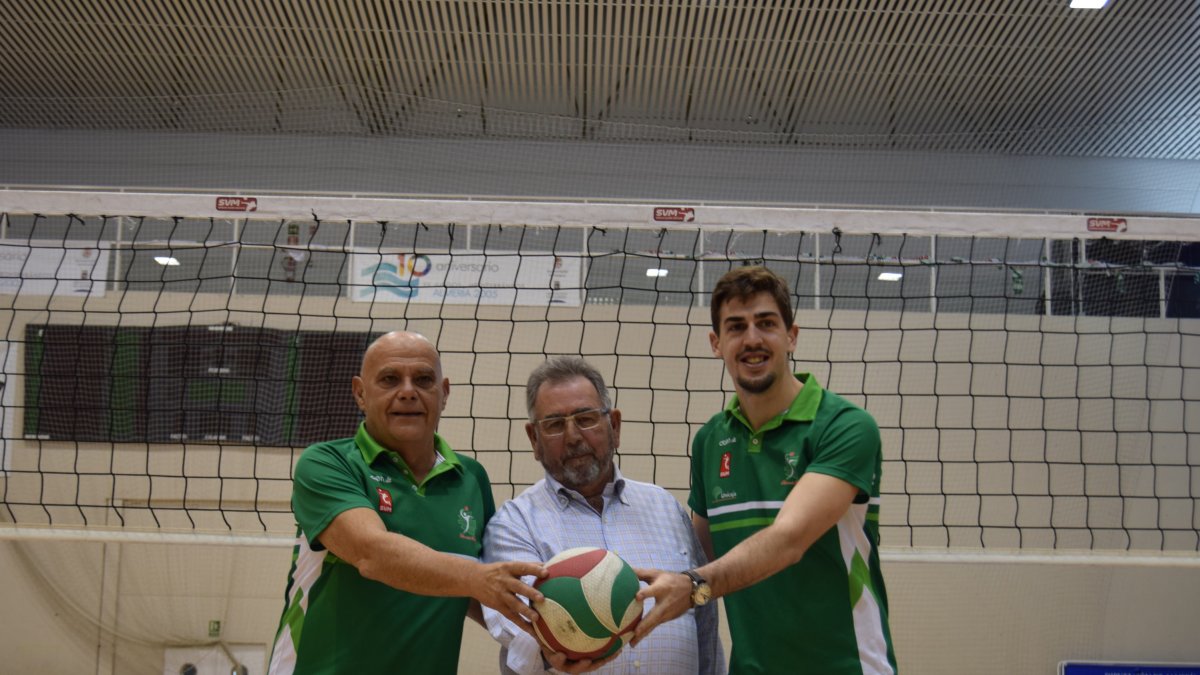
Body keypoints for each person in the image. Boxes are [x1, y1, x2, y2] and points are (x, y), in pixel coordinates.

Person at [634, 266, 898, 674]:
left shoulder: (845, 426)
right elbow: (699, 557)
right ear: (716, 343)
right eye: (736, 327)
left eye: (767, 324)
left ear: (791, 336)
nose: (752, 339)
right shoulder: (710, 442)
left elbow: (789, 541)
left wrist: (692, 588)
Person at [268, 331, 546, 675]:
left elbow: (484, 590)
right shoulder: (327, 463)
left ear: (443, 393)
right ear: (360, 393)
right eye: (389, 379)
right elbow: (373, 554)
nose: (408, 391)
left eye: (424, 380)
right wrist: (479, 579)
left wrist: (549, 641)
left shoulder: (471, 477)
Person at [483, 355, 725, 674]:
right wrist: (555, 643)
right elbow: (519, 628)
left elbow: (704, 622)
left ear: (614, 425)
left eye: (586, 419)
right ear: (534, 439)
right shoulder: (513, 523)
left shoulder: (666, 507)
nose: (572, 437)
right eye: (555, 425)